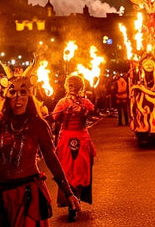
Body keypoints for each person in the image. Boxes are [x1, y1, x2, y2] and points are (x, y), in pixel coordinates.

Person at [0, 64, 81, 227]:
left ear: (29, 97)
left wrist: (68, 192)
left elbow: (51, 158)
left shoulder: (38, 124)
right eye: (13, 94)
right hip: (0, 194)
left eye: (23, 94)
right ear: (7, 97)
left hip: (27, 196)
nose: (18, 99)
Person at [48, 75, 113, 221]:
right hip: (70, 139)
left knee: (78, 172)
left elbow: (96, 112)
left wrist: (89, 106)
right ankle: (72, 203)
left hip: (80, 139)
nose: (70, 87)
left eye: (72, 85)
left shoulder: (83, 102)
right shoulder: (63, 103)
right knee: (68, 171)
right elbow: (52, 118)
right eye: (69, 85)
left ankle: (75, 201)